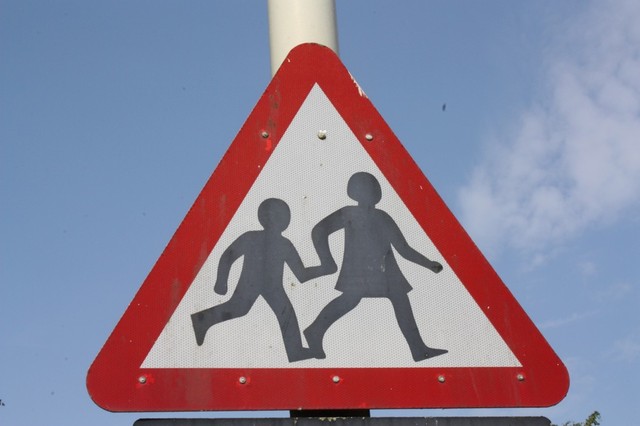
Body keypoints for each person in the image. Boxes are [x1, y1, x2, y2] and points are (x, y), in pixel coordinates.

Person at [304, 172, 448, 361]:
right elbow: (319, 231)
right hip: (359, 272)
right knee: (351, 299)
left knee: (396, 298)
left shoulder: (382, 217)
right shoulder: (349, 213)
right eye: (368, 188)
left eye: (374, 188)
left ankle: (418, 349)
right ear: (355, 192)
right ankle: (314, 331)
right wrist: (326, 261)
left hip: (385, 271)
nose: (373, 192)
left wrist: (428, 264)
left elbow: (403, 249)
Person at [191, 198, 326, 362]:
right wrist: (221, 282)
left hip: (274, 287)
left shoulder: (285, 244)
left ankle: (295, 351)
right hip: (250, 283)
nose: (279, 220)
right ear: (263, 217)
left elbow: (301, 274)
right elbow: (228, 256)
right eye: (274, 216)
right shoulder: (251, 237)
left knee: (286, 314)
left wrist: (323, 269)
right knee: (239, 308)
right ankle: (202, 320)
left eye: (283, 216)